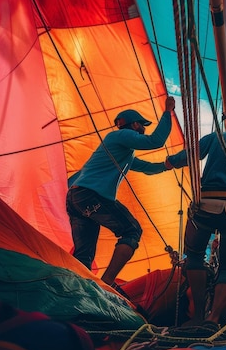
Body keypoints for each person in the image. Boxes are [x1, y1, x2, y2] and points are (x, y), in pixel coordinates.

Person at [164, 111, 226, 327]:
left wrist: (170, 162)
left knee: (194, 255)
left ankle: (198, 316)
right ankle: (214, 319)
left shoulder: (220, 136)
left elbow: (193, 154)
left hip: (208, 205)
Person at [66, 96, 175, 288]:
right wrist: (168, 113)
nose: (143, 130)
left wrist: (166, 166)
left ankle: (75, 290)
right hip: (92, 194)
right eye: (142, 126)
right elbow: (155, 141)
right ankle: (106, 282)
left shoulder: (121, 150)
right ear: (134, 125)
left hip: (77, 198)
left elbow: (146, 168)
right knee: (132, 230)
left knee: (84, 256)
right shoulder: (120, 136)